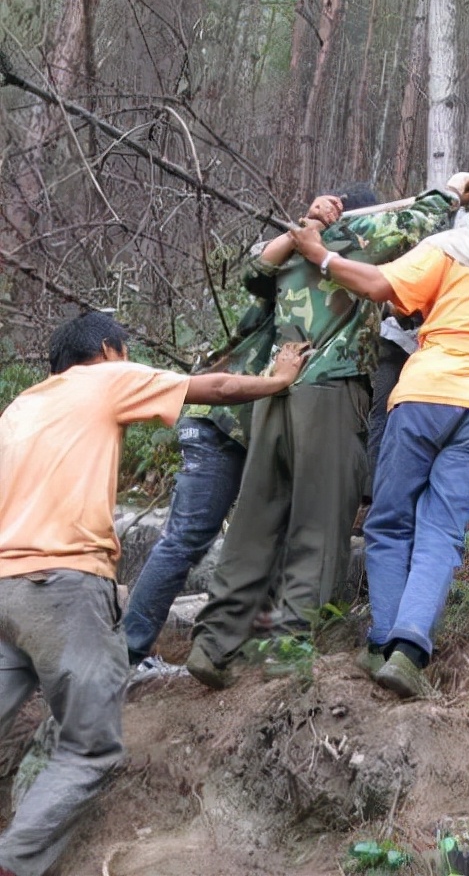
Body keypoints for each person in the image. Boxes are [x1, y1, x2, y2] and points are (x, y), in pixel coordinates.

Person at [0, 312, 305, 876]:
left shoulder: (19, 409)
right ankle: (15, 863)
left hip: (5, 590)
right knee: (89, 749)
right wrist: (278, 379)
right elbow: (211, 388)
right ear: (111, 350)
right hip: (60, 585)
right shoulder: (103, 377)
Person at [185, 180, 469, 689]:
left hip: (276, 390)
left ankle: (213, 644)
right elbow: (412, 225)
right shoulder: (353, 238)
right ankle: (289, 647)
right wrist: (449, 192)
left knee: (256, 517)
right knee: (319, 524)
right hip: (331, 392)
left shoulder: (289, 248)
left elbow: (253, 272)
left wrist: (308, 223)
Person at [287, 173, 469, 696]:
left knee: (389, 520)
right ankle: (408, 649)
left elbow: (382, 287)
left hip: (425, 394)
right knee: (441, 530)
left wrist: (321, 255)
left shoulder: (448, 247)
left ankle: (381, 639)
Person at [122, 299, 275, 672]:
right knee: (185, 538)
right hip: (219, 424)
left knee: (211, 536)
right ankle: (126, 654)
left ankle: (253, 634)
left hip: (219, 424)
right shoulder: (281, 296)